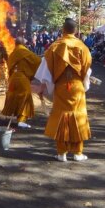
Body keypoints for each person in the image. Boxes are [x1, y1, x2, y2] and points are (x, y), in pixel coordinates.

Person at [35, 18, 92, 162]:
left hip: (61, 87)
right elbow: (86, 70)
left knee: (62, 118)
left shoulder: (55, 47)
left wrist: (43, 87)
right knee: (78, 117)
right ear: (76, 31)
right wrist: (84, 85)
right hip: (76, 87)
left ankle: (61, 153)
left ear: (62, 29)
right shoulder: (82, 47)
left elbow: (45, 71)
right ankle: (78, 153)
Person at [1, 37, 41, 129]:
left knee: (14, 97)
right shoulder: (25, 52)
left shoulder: (12, 54)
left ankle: (14, 116)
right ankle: (21, 121)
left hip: (13, 79)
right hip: (22, 79)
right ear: (23, 44)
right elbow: (38, 61)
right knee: (25, 98)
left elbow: (10, 68)